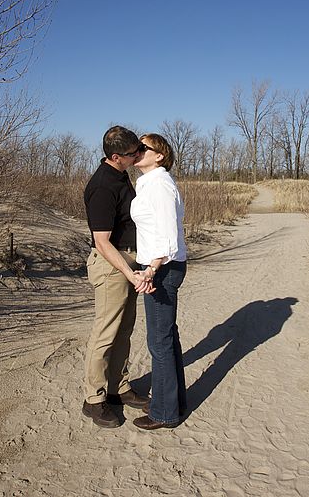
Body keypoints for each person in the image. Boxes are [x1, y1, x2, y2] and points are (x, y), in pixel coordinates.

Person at [82, 125, 152, 428]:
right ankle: (93, 399)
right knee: (105, 334)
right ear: (115, 156)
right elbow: (101, 241)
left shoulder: (121, 174)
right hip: (112, 265)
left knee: (124, 331)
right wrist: (129, 272)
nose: (137, 155)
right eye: (132, 153)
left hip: (129, 262)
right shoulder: (102, 186)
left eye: (138, 149)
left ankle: (117, 388)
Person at [130, 133, 188, 430]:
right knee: (166, 337)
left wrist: (150, 270)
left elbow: (167, 236)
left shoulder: (161, 185)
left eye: (143, 148)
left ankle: (164, 413)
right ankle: (176, 403)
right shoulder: (149, 183)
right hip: (160, 265)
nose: (136, 151)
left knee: (159, 341)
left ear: (159, 155)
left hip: (161, 268)